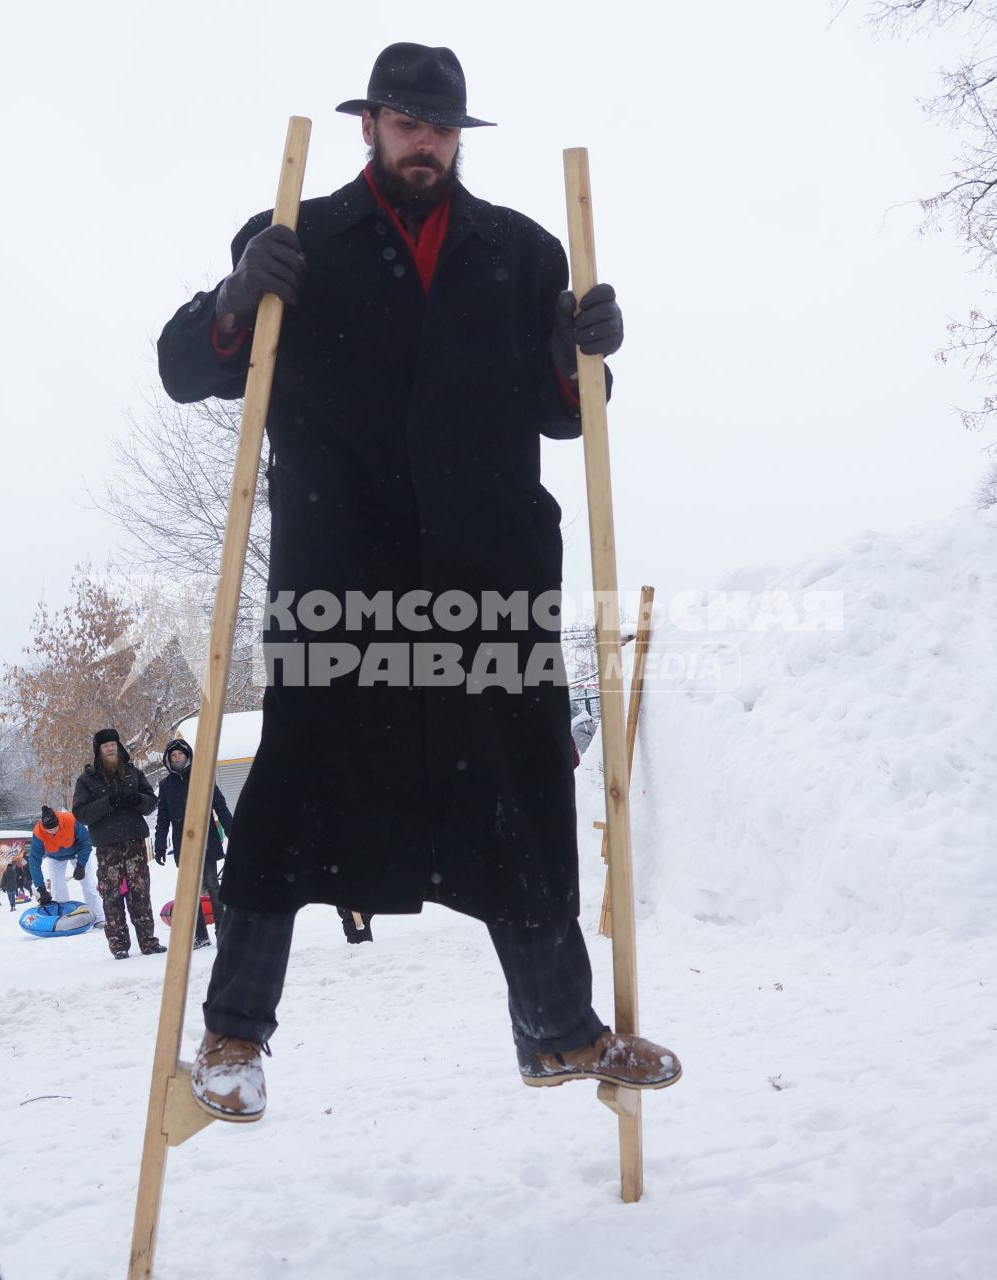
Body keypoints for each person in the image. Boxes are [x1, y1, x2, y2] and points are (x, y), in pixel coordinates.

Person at [156, 43, 680, 1122]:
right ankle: (231, 1039)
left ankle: (557, 1032)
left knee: (522, 796)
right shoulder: (295, 242)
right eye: (405, 120)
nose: (424, 140)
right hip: (338, 578)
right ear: (371, 126)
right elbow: (186, 366)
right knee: (293, 794)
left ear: (459, 135)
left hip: (489, 582)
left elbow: (564, 409)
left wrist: (589, 352)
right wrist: (237, 293)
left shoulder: (525, 253)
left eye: (441, 125)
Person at [73, 729, 163, 958]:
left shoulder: (133, 772)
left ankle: (148, 942)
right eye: (105, 746)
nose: (110, 749)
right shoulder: (87, 780)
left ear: (118, 746)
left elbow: (152, 802)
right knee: (112, 895)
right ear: (99, 751)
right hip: (107, 846)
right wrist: (108, 802)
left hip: (134, 842)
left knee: (140, 892)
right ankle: (119, 946)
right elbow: (81, 814)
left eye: (113, 744)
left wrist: (137, 800)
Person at [152, 738, 231, 949]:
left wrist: (233, 831)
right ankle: (200, 935)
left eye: (180, 755)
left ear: (188, 756)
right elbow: (163, 818)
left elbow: (220, 806)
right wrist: (160, 845)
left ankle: (222, 930)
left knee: (213, 885)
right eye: (173, 756)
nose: (177, 758)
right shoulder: (166, 785)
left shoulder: (201, 777)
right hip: (184, 844)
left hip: (207, 841)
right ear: (168, 760)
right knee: (192, 890)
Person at [28, 804, 104, 925]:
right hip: (55, 857)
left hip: (78, 853)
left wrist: (81, 865)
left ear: (58, 822)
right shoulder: (38, 833)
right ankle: (63, 920)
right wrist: (41, 888)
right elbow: (34, 862)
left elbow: (86, 843)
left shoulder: (70, 820)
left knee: (88, 883)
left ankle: (99, 917)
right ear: (43, 827)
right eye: (49, 829)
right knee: (57, 887)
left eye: (55, 828)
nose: (52, 831)